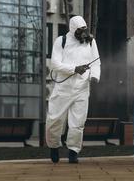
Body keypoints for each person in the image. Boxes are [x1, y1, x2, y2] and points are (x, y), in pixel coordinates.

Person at [46, 16, 101, 163]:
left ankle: (73, 152)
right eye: (80, 30)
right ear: (72, 29)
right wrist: (74, 69)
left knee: (78, 122)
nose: (83, 33)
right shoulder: (61, 41)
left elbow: (96, 62)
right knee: (54, 119)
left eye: (84, 29)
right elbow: (55, 64)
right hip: (62, 88)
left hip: (82, 88)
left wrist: (94, 76)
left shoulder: (90, 42)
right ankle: (54, 147)